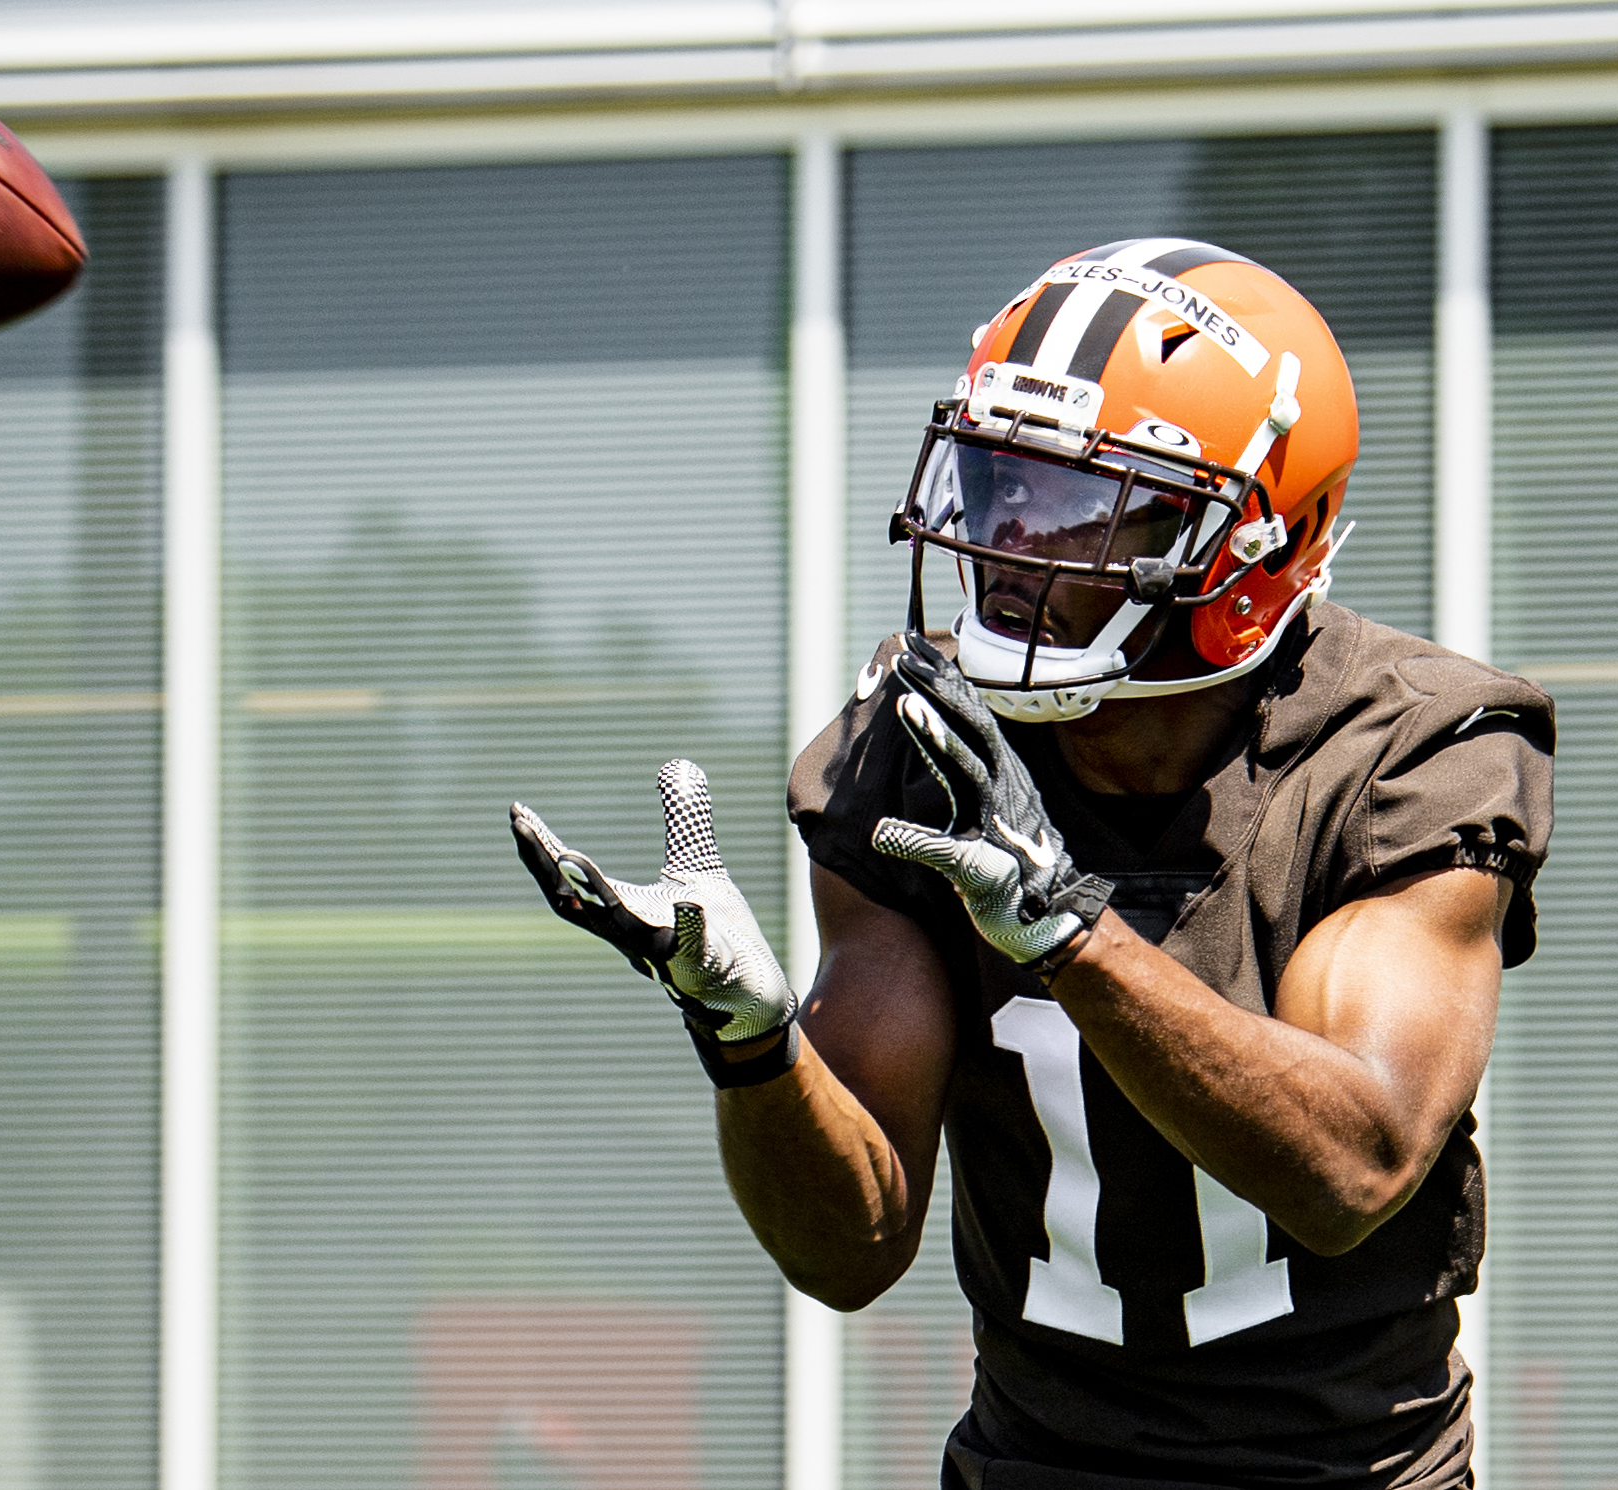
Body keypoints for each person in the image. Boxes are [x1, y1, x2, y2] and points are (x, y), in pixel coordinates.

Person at [512, 238, 1553, 1489]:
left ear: (1253, 546)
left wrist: (1072, 930)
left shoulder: (1405, 750)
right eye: (1000, 485)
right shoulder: (913, 755)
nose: (1011, 549)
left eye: (1085, 504)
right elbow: (852, 1248)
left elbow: (1354, 1160)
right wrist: (750, 1041)